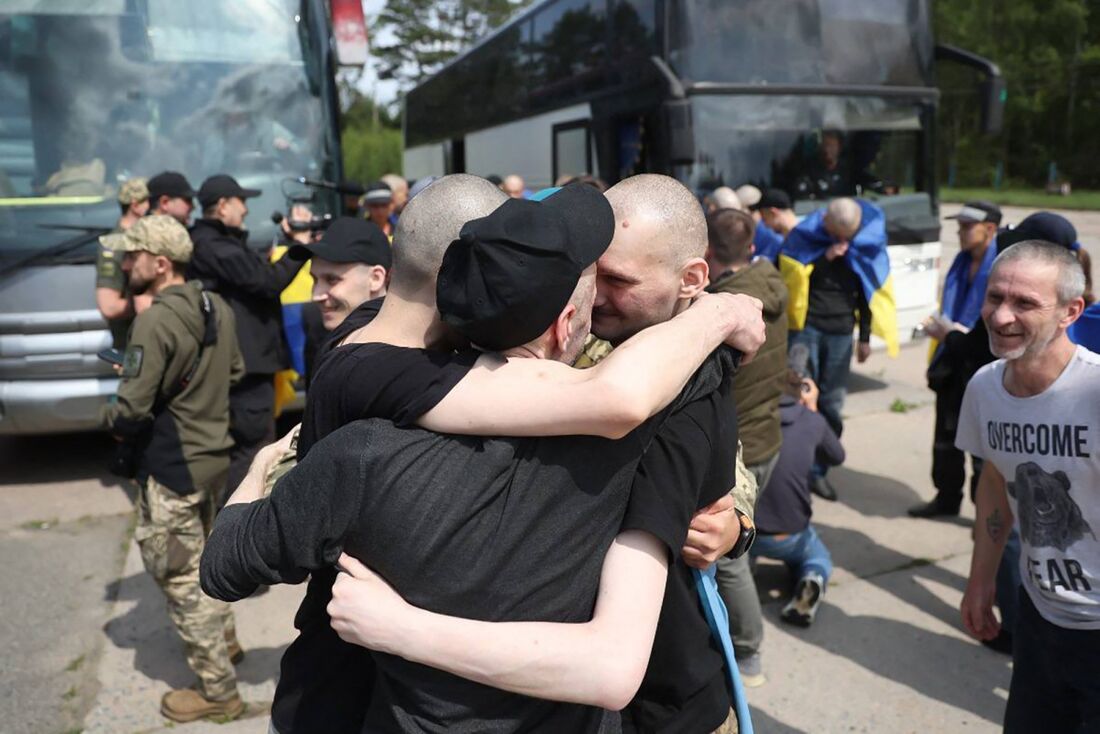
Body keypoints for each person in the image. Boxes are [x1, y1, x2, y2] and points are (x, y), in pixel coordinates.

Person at [206, 175, 765, 734]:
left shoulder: (678, 378)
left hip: (655, 680)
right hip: (396, 681)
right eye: (593, 279)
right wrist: (720, 314)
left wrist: (736, 522)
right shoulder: (401, 379)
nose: (597, 296)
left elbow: (711, 463)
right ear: (563, 323)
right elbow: (615, 398)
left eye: (616, 279)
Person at [99, 215, 245, 722]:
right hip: (212, 459)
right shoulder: (217, 306)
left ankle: (219, 693)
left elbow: (131, 411)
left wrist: (113, 411)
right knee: (204, 561)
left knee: (182, 581)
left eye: (132, 256)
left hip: (172, 466)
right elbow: (233, 371)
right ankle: (226, 647)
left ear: (160, 264)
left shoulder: (155, 319)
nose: (124, 264)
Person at [956, 240, 1098, 732]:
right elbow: (995, 479)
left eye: (1024, 303)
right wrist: (981, 581)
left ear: (1070, 311)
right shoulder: (984, 387)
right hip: (1038, 619)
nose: (1001, 317)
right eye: (995, 297)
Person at [705, 207, 788, 683]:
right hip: (769, 434)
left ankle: (748, 650)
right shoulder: (771, 283)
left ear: (709, 253)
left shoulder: (723, 313)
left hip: (745, 449)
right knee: (743, 553)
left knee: (731, 556)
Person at [187, 174, 304, 498]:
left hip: (243, 364)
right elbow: (266, 281)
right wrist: (300, 248)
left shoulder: (219, 243)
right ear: (223, 206)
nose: (247, 210)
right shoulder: (215, 246)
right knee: (252, 449)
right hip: (246, 368)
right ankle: (240, 524)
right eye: (243, 202)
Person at [782, 197, 897, 501]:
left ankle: (818, 472)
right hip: (807, 330)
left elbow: (868, 290)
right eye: (837, 233)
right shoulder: (808, 236)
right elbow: (791, 276)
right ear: (826, 224)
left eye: (848, 235)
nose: (844, 241)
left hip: (841, 334)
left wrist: (866, 337)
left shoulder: (864, 245)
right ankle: (793, 469)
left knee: (831, 403)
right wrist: (824, 258)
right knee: (799, 396)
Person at [910, 201, 1002, 518]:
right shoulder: (961, 262)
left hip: (981, 363)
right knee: (945, 437)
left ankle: (984, 513)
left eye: (967, 226)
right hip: (952, 358)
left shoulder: (1000, 266)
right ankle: (946, 498)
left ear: (990, 228)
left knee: (982, 448)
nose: (960, 232)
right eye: (959, 226)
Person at [752, 366, 843, 627]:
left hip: (747, 530)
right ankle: (812, 578)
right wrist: (812, 407)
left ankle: (745, 569)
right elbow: (836, 456)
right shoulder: (811, 421)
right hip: (790, 532)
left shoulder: (749, 420)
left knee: (736, 554)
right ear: (801, 390)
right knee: (818, 556)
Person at [287, 217, 391, 383]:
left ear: (375, 278)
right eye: (315, 280)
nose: (316, 295)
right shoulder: (319, 332)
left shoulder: (411, 344)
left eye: (332, 279)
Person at [96, 177, 150, 348]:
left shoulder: (145, 237)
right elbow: (109, 306)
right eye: (149, 202)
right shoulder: (114, 244)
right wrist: (151, 304)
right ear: (135, 206)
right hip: (130, 342)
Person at [748, 188, 797, 263]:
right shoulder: (790, 241)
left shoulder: (801, 241)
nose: (765, 225)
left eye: (764, 219)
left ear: (773, 213)